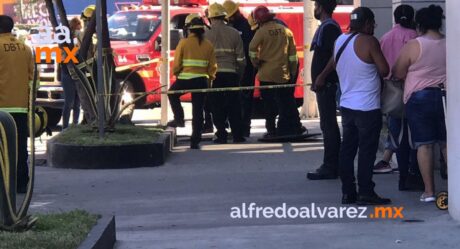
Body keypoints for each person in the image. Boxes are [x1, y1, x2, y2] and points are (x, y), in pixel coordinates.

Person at [317, 7, 390, 205]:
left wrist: (321, 77)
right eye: (372, 23)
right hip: (367, 107)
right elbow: (384, 70)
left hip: (347, 106)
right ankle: (366, 191)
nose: (374, 27)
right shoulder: (369, 42)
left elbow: (333, 62)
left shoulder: (340, 40)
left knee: (347, 151)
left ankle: (348, 192)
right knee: (366, 151)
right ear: (367, 23)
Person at [393, 5, 446, 202]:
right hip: (445, 96)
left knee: (424, 145)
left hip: (419, 98)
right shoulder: (450, 43)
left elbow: (398, 72)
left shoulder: (415, 45)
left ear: (420, 24)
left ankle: (429, 191)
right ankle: (455, 189)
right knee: (446, 143)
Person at [376, 5, 424, 191]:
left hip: (392, 93)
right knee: (418, 137)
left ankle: (403, 178)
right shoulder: (417, 39)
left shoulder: (385, 38)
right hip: (414, 90)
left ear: (395, 18)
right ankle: (415, 175)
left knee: (397, 137)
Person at [249, 6, 304, 138]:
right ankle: (294, 127)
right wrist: (291, 72)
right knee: (286, 103)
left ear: (259, 20)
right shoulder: (286, 31)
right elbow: (293, 56)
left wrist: (256, 63)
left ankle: (271, 130)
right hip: (283, 74)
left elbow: (252, 49)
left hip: (266, 74)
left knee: (269, 105)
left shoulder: (261, 32)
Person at [167, 14, 217, 149]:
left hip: (185, 79)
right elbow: (213, 66)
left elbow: (177, 64)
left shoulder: (183, 42)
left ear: (189, 29)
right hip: (201, 81)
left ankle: (179, 119)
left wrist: (177, 74)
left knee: (172, 94)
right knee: (198, 110)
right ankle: (195, 140)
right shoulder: (208, 44)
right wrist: (210, 79)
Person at [307, 0, 342, 180]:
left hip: (327, 85)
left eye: (316, 6)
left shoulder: (329, 29)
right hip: (324, 85)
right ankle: (332, 164)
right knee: (327, 125)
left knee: (329, 126)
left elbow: (335, 56)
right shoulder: (327, 28)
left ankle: (331, 166)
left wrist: (321, 77)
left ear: (321, 7)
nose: (314, 9)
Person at [0, 15, 34, 193]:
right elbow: (32, 79)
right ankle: (21, 182)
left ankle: (4, 184)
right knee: (20, 146)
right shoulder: (25, 48)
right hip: (20, 107)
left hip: (1, 109)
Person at [205, 3, 246, 144]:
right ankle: (237, 136)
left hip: (214, 76)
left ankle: (221, 135)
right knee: (234, 105)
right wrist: (238, 76)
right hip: (231, 74)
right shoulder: (234, 33)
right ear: (225, 16)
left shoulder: (205, 35)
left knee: (216, 106)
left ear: (210, 18)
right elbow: (241, 60)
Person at [223, 0, 255, 137]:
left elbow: (248, 48)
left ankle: (244, 128)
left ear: (235, 13)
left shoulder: (245, 26)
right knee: (234, 99)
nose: (228, 19)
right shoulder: (232, 26)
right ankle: (237, 128)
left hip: (246, 69)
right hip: (235, 69)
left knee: (245, 100)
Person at [61, 17, 82, 129]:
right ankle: (65, 127)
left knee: (77, 103)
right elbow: (65, 57)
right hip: (67, 72)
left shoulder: (79, 39)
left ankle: (75, 125)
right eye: (77, 25)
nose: (79, 27)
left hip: (78, 73)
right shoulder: (66, 41)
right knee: (69, 102)